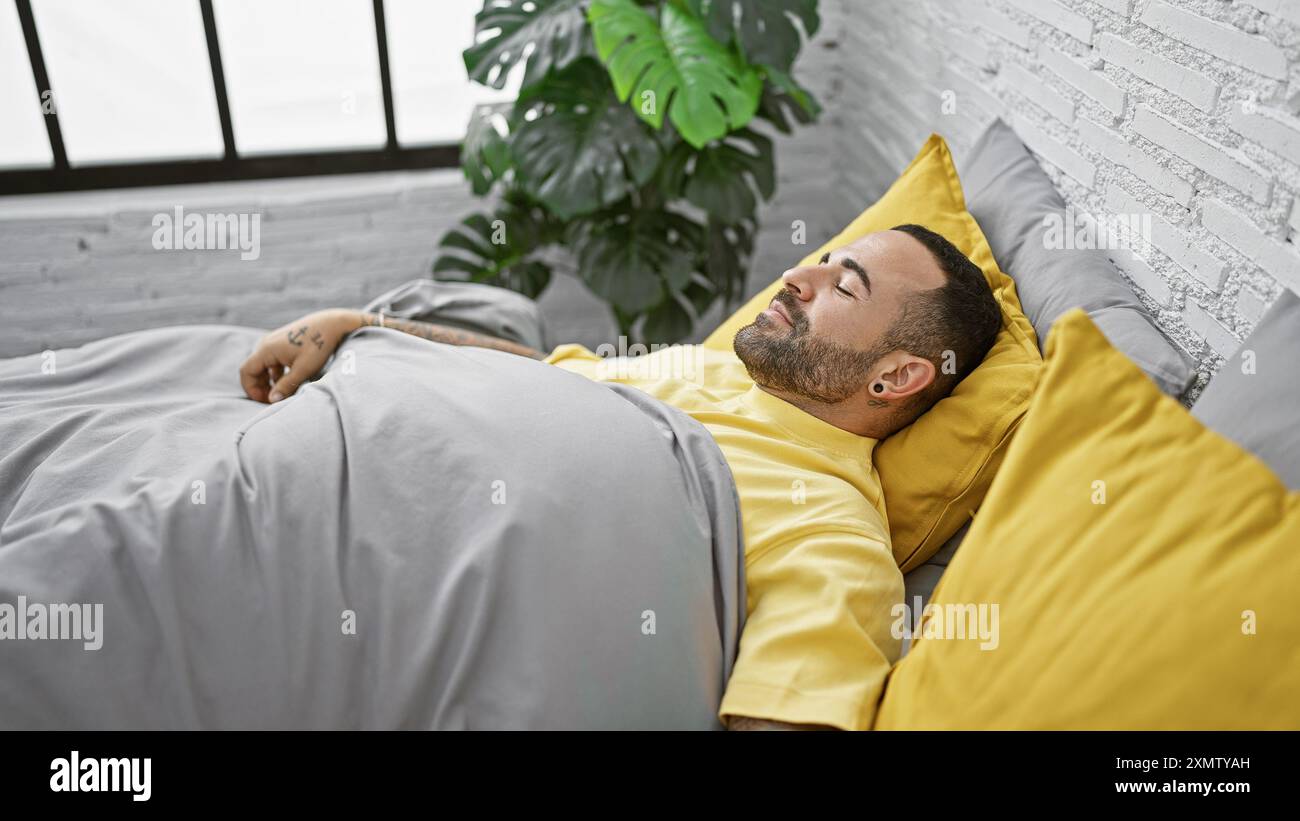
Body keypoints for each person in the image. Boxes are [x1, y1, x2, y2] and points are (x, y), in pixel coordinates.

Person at [239, 224, 1003, 730]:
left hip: (342, 567)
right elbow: (548, 377)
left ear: (898, 375)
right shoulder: (710, 367)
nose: (799, 274)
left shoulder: (833, 537)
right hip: (328, 439)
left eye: (844, 286)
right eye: (826, 260)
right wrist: (361, 327)